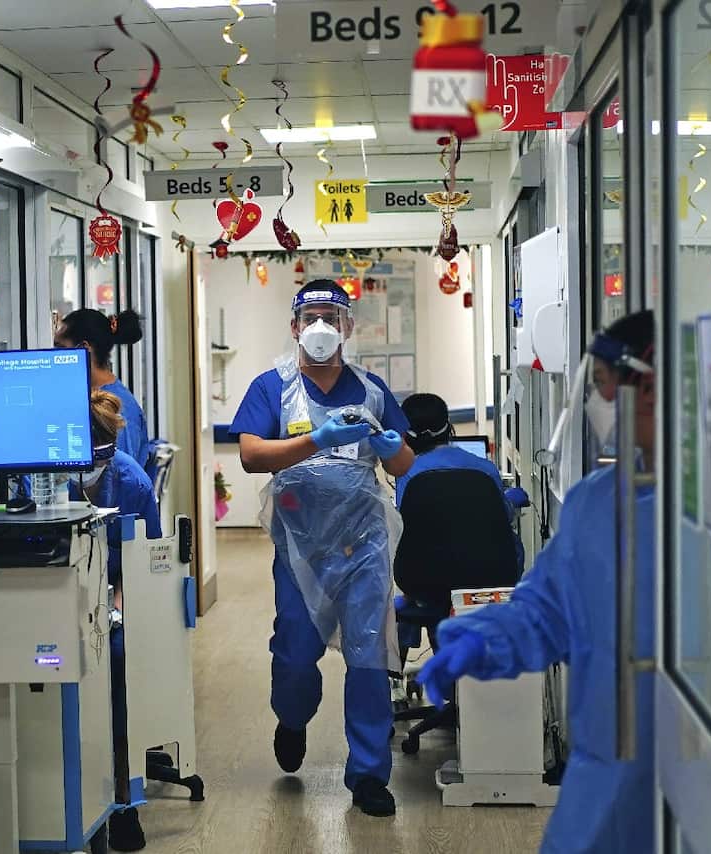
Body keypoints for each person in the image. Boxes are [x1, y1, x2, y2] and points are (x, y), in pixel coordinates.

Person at [419, 310, 656, 853]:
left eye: (603, 385)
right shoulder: (598, 503)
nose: (597, 402)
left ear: (650, 387)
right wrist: (482, 639)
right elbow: (545, 609)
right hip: (606, 783)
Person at [230, 280, 415, 817]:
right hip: (300, 547)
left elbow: (404, 464)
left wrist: (389, 448)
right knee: (294, 653)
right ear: (294, 327)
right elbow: (251, 455)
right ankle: (292, 719)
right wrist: (317, 439)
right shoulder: (272, 387)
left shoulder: (371, 390)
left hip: (363, 542)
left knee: (369, 654)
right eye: (311, 316)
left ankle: (369, 774)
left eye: (332, 318)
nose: (321, 327)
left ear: (348, 326)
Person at [73, 390, 161, 852]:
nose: (90, 469)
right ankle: (65, 798)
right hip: (60, 598)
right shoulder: (40, 479)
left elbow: (146, 563)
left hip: (114, 597)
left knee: (117, 662)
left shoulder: (131, 482)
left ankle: (123, 801)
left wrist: (118, 608)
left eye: (100, 458)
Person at [396, 392, 525, 571]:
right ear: (448, 426)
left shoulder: (407, 473)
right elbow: (502, 516)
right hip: (489, 571)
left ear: (405, 433)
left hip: (426, 575)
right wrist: (509, 501)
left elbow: (403, 526)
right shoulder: (486, 469)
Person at [55, 308, 150, 466]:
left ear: (83, 349)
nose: (53, 356)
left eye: (59, 348)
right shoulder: (88, 396)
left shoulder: (117, 410)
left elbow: (120, 475)